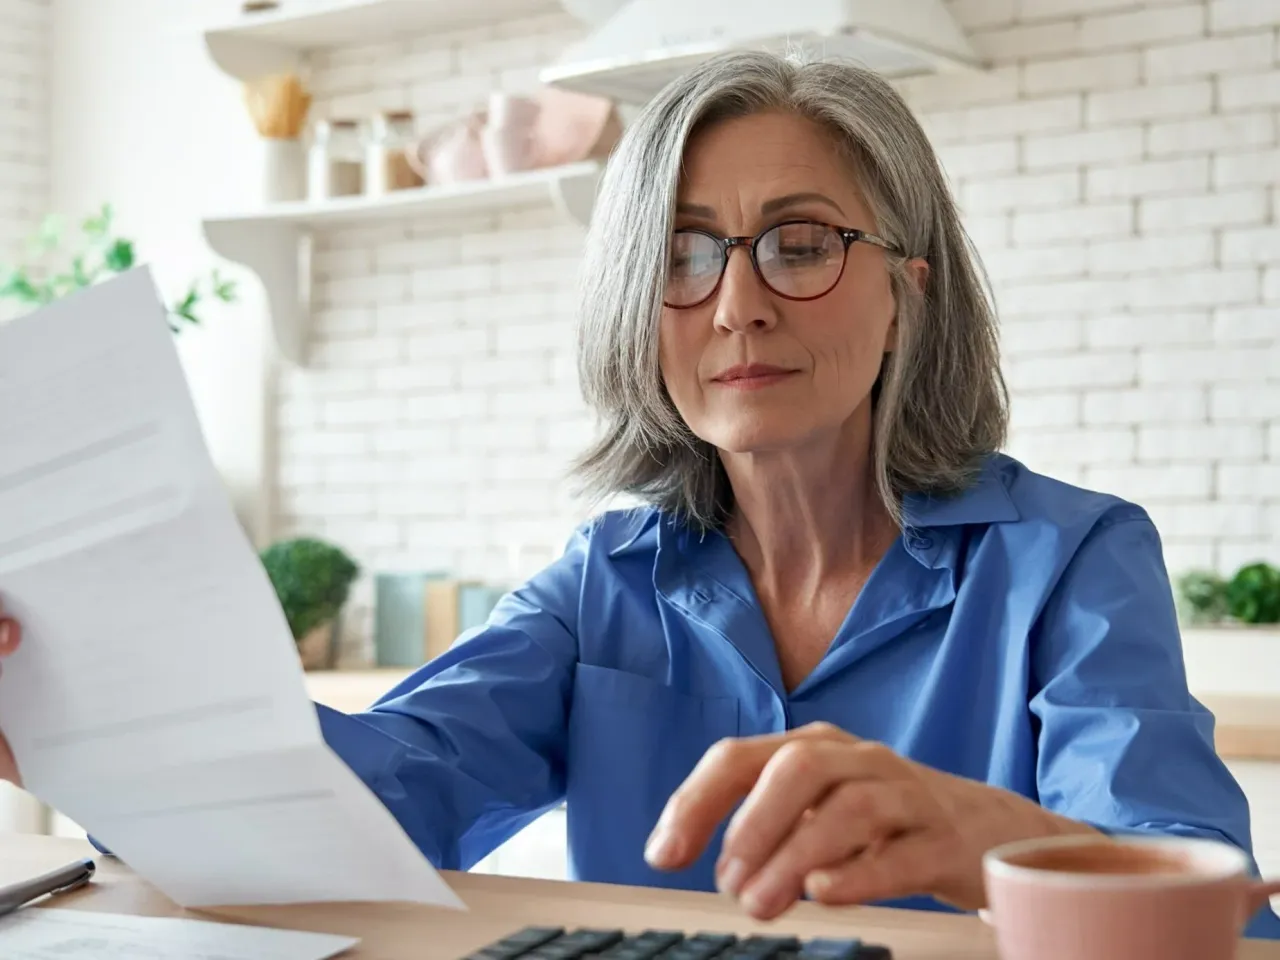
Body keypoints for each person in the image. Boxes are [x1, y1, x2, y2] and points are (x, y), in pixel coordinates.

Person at [1, 50, 1278, 937]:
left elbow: (1202, 892)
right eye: (678, 255)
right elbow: (375, 793)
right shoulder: (600, 581)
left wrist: (978, 833)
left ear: (907, 292)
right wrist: (92, 708)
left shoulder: (1067, 559)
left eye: (801, 240)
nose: (735, 302)